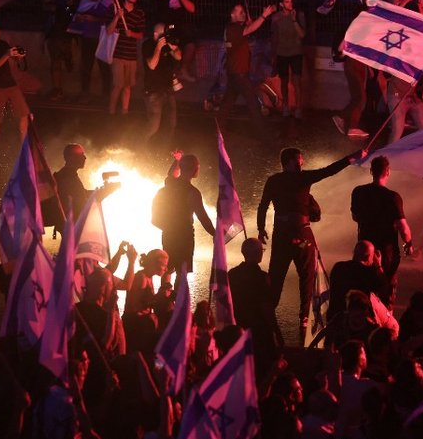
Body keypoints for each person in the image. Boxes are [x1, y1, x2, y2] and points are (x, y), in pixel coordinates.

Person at [257, 146, 367, 344]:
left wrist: (261, 228)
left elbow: (263, 205)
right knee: (298, 275)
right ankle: (282, 316)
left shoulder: (276, 180)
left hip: (284, 233)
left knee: (294, 274)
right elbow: (328, 170)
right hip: (299, 233)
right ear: (289, 162)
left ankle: (296, 317)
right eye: (299, 160)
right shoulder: (298, 178)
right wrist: (351, 157)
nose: (302, 163)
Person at [350, 156, 412, 291]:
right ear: (388, 172)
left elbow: (355, 217)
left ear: (371, 171)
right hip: (386, 253)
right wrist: (408, 244)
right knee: (385, 289)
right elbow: (403, 227)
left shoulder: (358, 192)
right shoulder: (392, 197)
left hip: (364, 250)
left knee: (363, 288)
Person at [153, 152, 215, 274]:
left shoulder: (169, 183)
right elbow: (203, 217)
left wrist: (177, 160)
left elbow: (170, 174)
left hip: (168, 233)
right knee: (182, 273)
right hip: (184, 237)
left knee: (167, 268)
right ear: (194, 169)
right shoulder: (193, 192)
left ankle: (165, 291)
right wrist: (215, 233)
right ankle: (178, 293)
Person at [228, 237, 282, 373]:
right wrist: (277, 332)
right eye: (261, 250)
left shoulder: (232, 274)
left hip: (238, 329)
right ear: (258, 253)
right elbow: (267, 308)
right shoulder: (262, 277)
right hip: (259, 333)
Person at [219, 3, 276, 127]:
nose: (244, 14)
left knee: (227, 104)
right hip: (239, 75)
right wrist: (264, 15)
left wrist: (247, 25)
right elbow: (250, 30)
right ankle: (265, 137)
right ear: (232, 14)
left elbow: (247, 31)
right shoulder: (233, 29)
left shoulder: (232, 28)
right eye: (240, 12)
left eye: (244, 12)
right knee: (253, 104)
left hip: (235, 73)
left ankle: (219, 129)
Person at [69, 0, 113, 103]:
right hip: (88, 38)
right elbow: (76, 18)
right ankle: (85, 93)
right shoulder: (84, 2)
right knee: (86, 67)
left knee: (104, 68)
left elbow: (111, 20)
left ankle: (106, 95)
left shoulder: (108, 2)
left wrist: (95, 19)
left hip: (102, 39)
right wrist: (79, 18)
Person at [327, 240, 388, 324]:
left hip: (334, 318)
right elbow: (385, 287)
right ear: (369, 257)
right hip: (357, 322)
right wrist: (379, 265)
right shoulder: (367, 273)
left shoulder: (338, 267)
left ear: (354, 253)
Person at [107, 0, 146, 116]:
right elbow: (108, 31)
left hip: (131, 56)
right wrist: (117, 16)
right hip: (118, 54)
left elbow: (140, 34)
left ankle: (125, 112)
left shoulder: (139, 13)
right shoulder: (115, 9)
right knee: (118, 85)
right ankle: (111, 111)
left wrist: (132, 34)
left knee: (128, 86)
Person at [141, 23, 182, 148]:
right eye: (163, 34)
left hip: (168, 90)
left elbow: (179, 57)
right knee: (153, 125)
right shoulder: (148, 45)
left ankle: (165, 148)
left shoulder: (167, 45)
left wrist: (173, 47)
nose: (165, 37)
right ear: (155, 34)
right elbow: (152, 65)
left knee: (171, 123)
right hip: (153, 91)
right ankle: (139, 146)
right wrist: (158, 48)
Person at [269, 0, 307, 119]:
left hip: (296, 52)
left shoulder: (299, 15)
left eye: (291, 1)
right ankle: (285, 105)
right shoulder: (276, 18)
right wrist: (273, 55)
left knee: (296, 81)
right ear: (281, 4)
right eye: (286, 2)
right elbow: (274, 37)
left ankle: (298, 108)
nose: (290, 4)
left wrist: (294, 20)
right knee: (284, 81)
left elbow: (302, 35)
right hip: (282, 53)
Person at [156, 0, 196, 83]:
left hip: (181, 25)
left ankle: (183, 70)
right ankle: (171, 73)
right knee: (170, 45)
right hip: (168, 25)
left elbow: (192, 8)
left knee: (190, 43)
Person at [43, 0, 77, 101]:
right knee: (55, 63)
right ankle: (57, 89)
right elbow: (47, 8)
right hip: (54, 34)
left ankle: (59, 89)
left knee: (62, 63)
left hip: (63, 34)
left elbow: (71, 10)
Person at [53, 144, 88, 219]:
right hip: (72, 226)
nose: (85, 158)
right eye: (81, 155)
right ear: (71, 157)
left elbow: (82, 194)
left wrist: (100, 191)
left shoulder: (68, 175)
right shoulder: (66, 177)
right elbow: (79, 199)